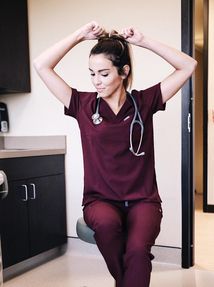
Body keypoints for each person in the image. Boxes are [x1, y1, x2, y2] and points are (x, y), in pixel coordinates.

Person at [33, 21, 197, 287]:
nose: (97, 81)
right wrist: (78, 35)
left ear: (123, 72)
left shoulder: (144, 102)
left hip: (143, 200)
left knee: (136, 251)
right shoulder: (82, 105)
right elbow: (41, 64)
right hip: (100, 201)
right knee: (108, 227)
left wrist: (143, 41)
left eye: (104, 73)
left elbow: (188, 65)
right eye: (92, 74)